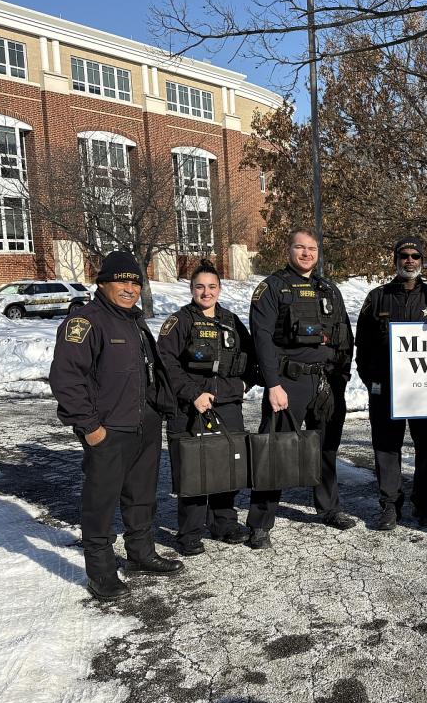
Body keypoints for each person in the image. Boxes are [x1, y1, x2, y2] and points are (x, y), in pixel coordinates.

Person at [50, 251, 183, 599]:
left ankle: (140, 553)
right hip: (108, 430)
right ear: (103, 282)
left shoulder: (134, 321)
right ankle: (101, 572)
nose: (130, 287)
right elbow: (66, 380)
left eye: (135, 281)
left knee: (141, 498)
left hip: (144, 426)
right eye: (121, 280)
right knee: (100, 502)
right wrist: (90, 428)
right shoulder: (86, 322)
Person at [248, 227, 355, 549]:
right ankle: (260, 523)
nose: (307, 253)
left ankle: (329, 508)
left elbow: (345, 335)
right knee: (276, 451)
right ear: (288, 249)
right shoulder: (272, 288)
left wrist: (343, 377)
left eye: (312, 248)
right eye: (300, 247)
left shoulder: (328, 289)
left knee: (326, 448)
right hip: (288, 382)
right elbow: (262, 339)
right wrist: (273, 384)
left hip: (325, 381)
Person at [157, 259, 258, 556]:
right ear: (191, 289)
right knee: (194, 471)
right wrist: (192, 394)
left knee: (227, 466)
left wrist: (243, 386)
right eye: (200, 286)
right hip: (190, 408)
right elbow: (166, 363)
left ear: (220, 289)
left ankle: (224, 523)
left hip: (226, 405)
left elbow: (253, 359)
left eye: (212, 286)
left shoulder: (230, 320)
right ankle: (189, 531)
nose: (206, 292)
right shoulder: (179, 321)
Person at [355, 237, 427, 531]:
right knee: (386, 448)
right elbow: (363, 345)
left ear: (423, 261)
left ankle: (423, 504)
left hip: (424, 393)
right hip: (386, 389)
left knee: (425, 449)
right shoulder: (377, 297)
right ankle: (389, 506)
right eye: (404, 255)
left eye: (415, 256)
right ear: (395, 259)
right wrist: (372, 381)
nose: (409, 260)